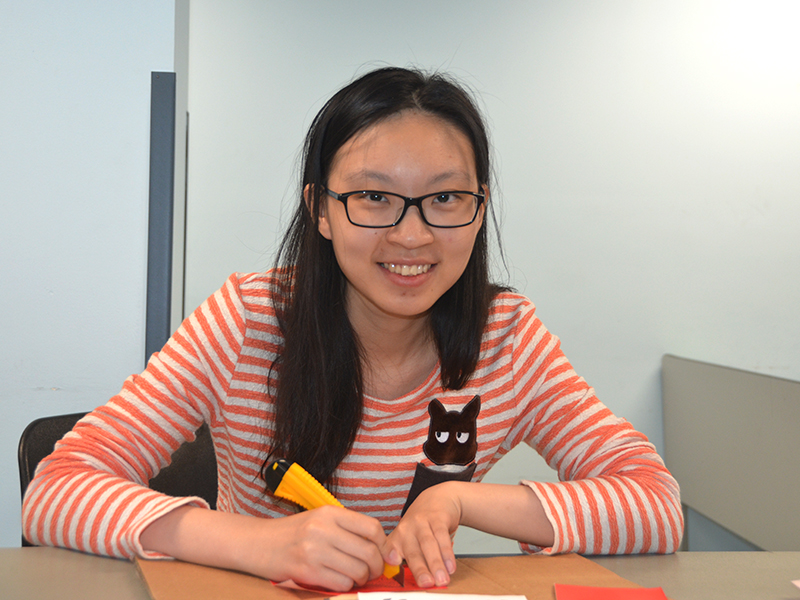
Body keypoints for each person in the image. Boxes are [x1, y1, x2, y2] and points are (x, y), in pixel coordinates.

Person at [22, 66, 682, 592]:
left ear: (480, 210)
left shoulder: (506, 334)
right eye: (374, 197)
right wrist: (257, 543)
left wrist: (459, 502)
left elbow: (655, 504)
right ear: (321, 210)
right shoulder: (250, 319)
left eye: (446, 198)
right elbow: (58, 488)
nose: (413, 234)